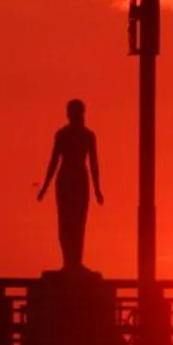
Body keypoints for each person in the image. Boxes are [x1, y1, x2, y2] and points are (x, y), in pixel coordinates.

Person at [37, 99, 103, 271]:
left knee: (79, 222)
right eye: (70, 112)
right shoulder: (62, 135)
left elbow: (94, 164)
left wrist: (97, 190)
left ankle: (76, 262)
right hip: (65, 179)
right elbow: (54, 161)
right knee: (65, 222)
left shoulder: (88, 136)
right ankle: (68, 262)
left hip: (80, 179)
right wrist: (44, 187)